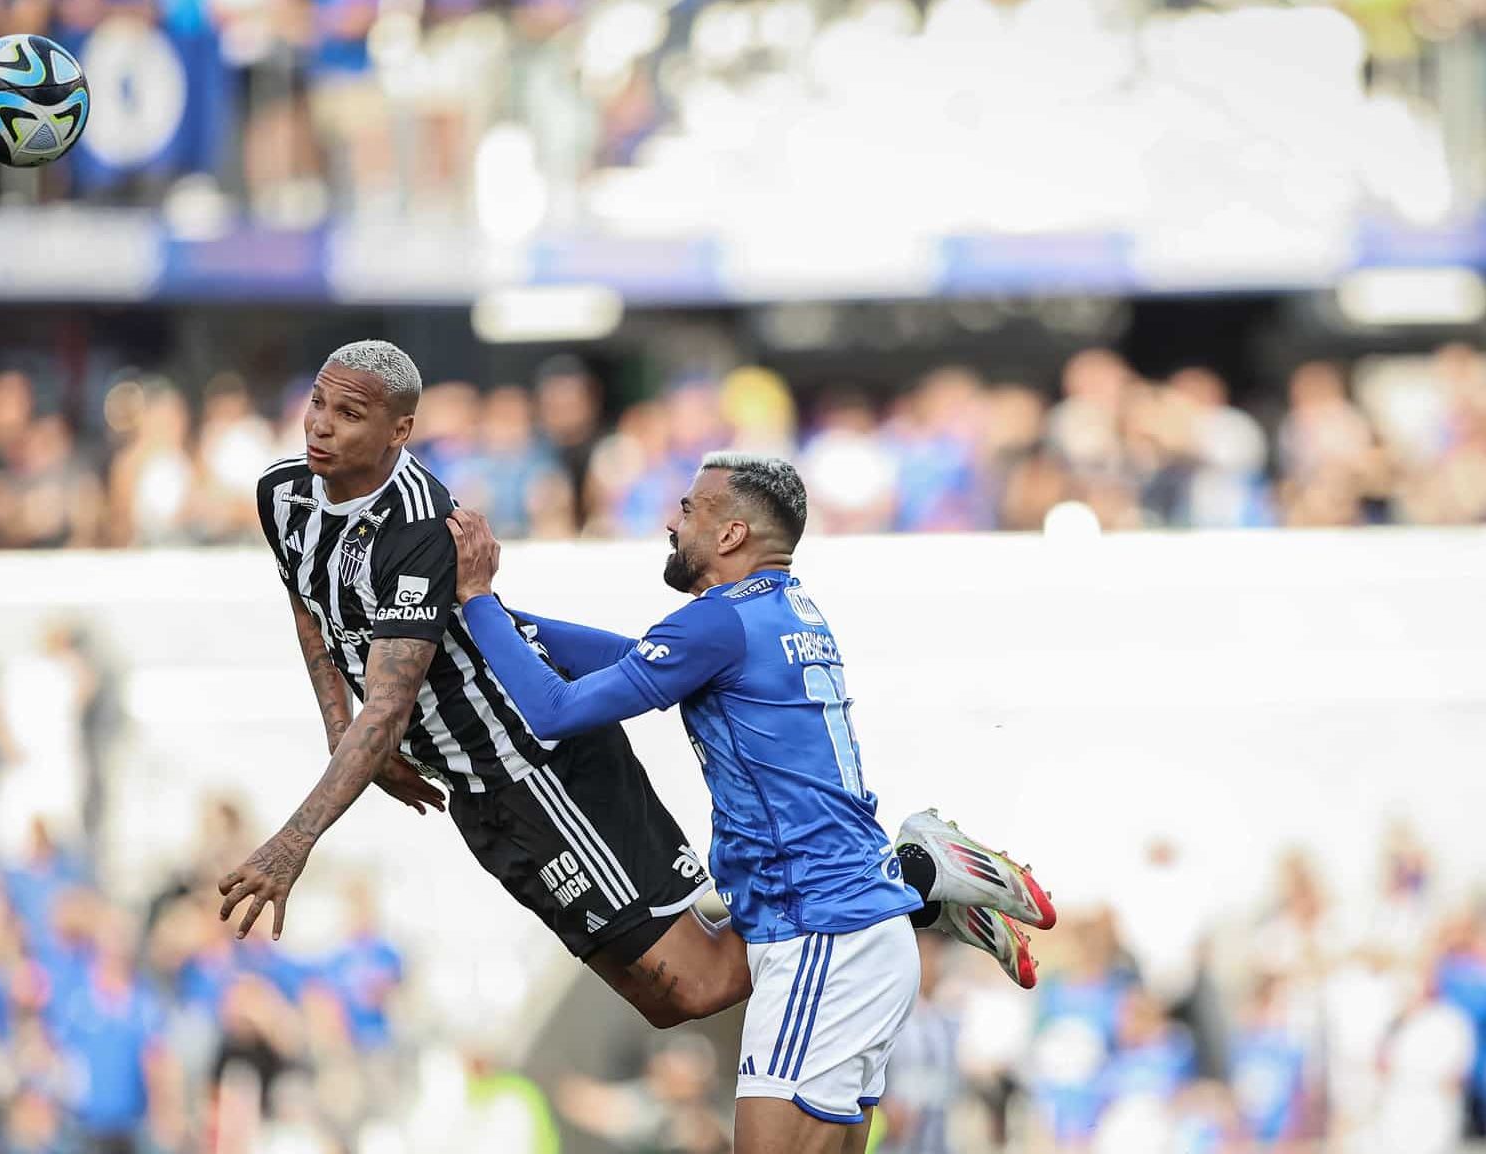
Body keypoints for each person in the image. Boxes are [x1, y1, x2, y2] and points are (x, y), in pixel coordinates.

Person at [216, 341, 1052, 1041]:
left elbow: (406, 703)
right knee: (665, 1002)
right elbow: (310, 602)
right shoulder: (281, 494)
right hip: (473, 788)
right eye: (318, 403)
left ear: (400, 431)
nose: (320, 424)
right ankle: (905, 894)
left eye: (348, 413)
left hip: (533, 765)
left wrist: (294, 843)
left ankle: (908, 878)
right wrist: (342, 732)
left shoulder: (422, 526)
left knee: (695, 983)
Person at [441, 452, 1056, 1152]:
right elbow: (634, 658)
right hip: (847, 932)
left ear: (731, 533)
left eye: (690, 510)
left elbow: (554, 711)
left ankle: (920, 874)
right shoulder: (784, 609)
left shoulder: (716, 625)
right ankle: (918, 879)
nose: (673, 522)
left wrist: (477, 596)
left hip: (820, 938)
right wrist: (491, 620)